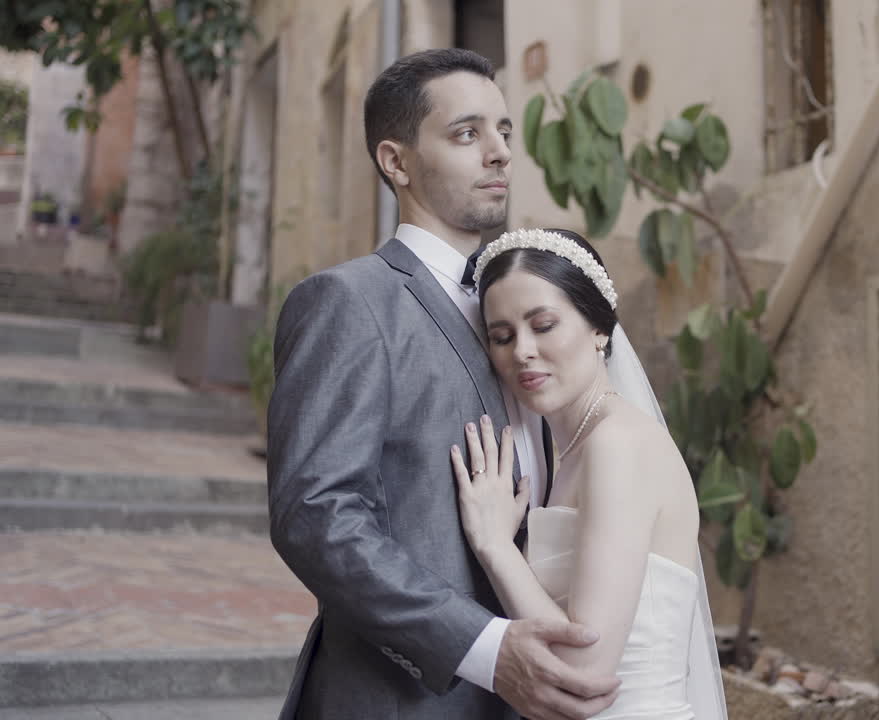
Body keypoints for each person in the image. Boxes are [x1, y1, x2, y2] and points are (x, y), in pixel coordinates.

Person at [267, 49, 620, 719]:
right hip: (399, 701)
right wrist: (483, 647)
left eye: (505, 133)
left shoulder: (526, 312)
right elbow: (316, 514)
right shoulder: (348, 301)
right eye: (467, 133)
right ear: (396, 162)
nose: (499, 154)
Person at [450, 227, 728, 720]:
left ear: (599, 328)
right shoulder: (577, 448)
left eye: (545, 324)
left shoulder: (616, 444)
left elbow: (586, 667)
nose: (523, 351)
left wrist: (495, 547)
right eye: (502, 336)